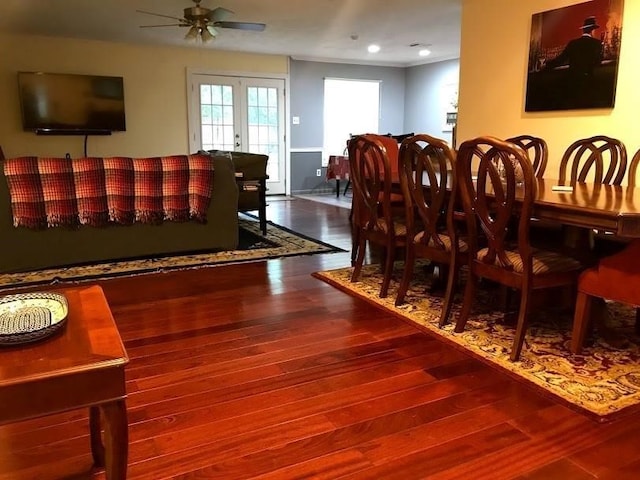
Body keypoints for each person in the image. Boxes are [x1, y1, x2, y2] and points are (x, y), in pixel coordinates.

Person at [544, 16, 604, 108]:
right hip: (588, 83)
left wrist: (546, 65)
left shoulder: (573, 43)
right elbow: (598, 62)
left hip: (572, 82)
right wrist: (602, 46)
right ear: (592, 31)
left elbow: (561, 59)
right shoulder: (597, 44)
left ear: (583, 30)